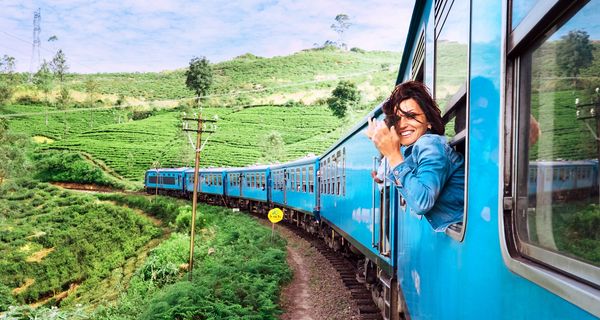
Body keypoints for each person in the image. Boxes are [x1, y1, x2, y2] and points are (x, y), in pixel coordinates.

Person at [366, 81, 465, 232]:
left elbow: (422, 203)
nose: (402, 125)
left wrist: (392, 155)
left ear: (429, 122)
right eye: (398, 119)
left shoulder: (429, 144)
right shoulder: (415, 148)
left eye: (411, 116)